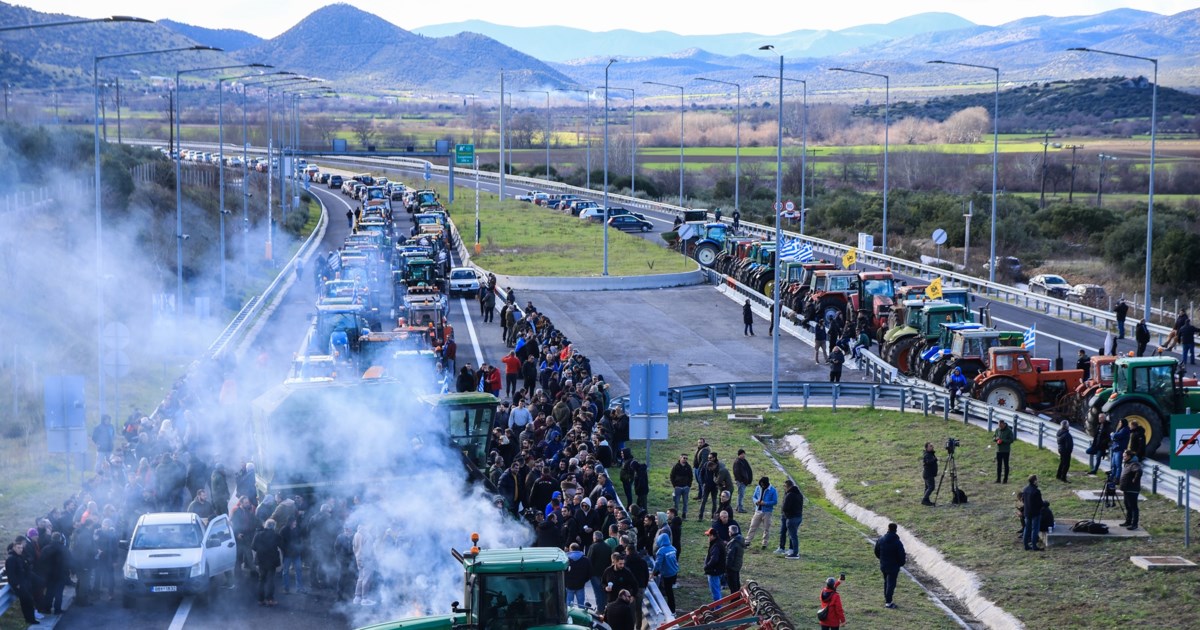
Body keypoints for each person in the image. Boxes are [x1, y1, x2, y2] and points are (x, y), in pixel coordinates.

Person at [6, 536, 39, 625]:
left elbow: (26, 569)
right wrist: (17, 585)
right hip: (20, 585)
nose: (20, 550)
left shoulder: (19, 557)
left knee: (27, 602)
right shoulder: (11, 559)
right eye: (18, 548)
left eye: (21, 548)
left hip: (25, 583)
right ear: (13, 548)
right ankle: (30, 619)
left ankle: (30, 619)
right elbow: (11, 574)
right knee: (28, 601)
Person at [874, 523, 906, 608]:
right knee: (891, 584)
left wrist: (881, 559)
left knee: (886, 582)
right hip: (893, 567)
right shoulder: (897, 542)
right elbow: (901, 555)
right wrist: (900, 563)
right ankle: (888, 602)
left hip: (883, 565)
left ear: (888, 528)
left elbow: (876, 551)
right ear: (896, 530)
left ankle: (887, 599)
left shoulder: (881, 539)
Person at [252, 519, 283, 606]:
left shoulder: (258, 535)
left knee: (261, 580)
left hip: (261, 560)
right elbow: (282, 545)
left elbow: (253, 547)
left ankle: (260, 600)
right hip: (272, 561)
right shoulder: (276, 535)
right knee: (270, 580)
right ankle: (270, 599)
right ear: (274, 526)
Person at [745, 477, 778, 549]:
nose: (762, 486)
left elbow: (775, 501)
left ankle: (764, 543)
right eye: (761, 485)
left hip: (767, 512)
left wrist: (765, 503)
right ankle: (747, 541)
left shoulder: (773, 490)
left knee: (766, 528)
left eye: (763, 485)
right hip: (758, 511)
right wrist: (756, 501)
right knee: (752, 526)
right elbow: (754, 497)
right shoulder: (757, 488)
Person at [651, 531, 679, 614]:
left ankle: (672, 610)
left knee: (669, 592)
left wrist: (653, 573)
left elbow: (657, 564)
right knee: (670, 590)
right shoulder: (673, 548)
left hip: (667, 574)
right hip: (674, 572)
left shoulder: (661, 551)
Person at [778, 479, 803, 559]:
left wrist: (786, 515)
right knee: (793, 535)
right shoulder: (799, 494)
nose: (784, 488)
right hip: (798, 517)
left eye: (784, 486)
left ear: (787, 486)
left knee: (793, 536)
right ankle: (792, 550)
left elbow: (785, 507)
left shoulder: (789, 495)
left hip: (791, 518)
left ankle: (795, 553)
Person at [1119, 450, 1143, 530]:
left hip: (1132, 489)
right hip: (1127, 489)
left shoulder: (1134, 464)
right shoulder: (1128, 463)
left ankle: (1134, 524)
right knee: (1128, 506)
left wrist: (1134, 480)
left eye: (1125, 456)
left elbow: (1139, 471)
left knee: (1133, 507)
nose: (1123, 457)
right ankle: (1128, 521)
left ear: (1129, 456)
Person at [702, 528, 726, 602]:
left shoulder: (715, 546)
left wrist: (707, 566)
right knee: (717, 590)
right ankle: (716, 607)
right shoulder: (720, 542)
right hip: (720, 570)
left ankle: (717, 609)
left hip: (714, 572)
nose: (708, 538)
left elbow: (714, 559)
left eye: (708, 536)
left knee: (715, 592)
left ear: (712, 536)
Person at [564, 542, 591, 608]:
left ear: (570, 549)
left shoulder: (566, 560)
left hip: (569, 585)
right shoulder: (586, 560)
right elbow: (589, 572)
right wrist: (584, 580)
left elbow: (564, 573)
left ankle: (570, 617)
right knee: (581, 605)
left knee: (569, 605)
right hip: (580, 585)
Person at [1021, 476, 1043, 551]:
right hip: (1035, 513)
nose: (1038, 481)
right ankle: (1034, 546)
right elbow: (1040, 503)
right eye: (1037, 480)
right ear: (1034, 481)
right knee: (1035, 529)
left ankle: (1025, 545)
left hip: (1027, 512)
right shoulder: (1036, 491)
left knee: (1027, 528)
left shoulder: (1025, 489)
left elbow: (1023, 500)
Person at [670, 454, 693, 519]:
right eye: (684, 458)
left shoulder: (688, 467)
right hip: (678, 487)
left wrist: (689, 485)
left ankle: (684, 515)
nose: (685, 459)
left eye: (686, 458)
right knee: (676, 503)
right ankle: (676, 515)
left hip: (686, 487)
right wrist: (675, 485)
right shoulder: (676, 466)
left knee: (685, 502)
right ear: (680, 458)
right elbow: (672, 476)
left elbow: (691, 476)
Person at [725, 524, 745, 594]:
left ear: (731, 532)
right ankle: (738, 597)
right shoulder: (740, 539)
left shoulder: (733, 543)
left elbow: (730, 556)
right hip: (737, 564)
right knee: (736, 582)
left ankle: (734, 600)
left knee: (732, 584)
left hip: (732, 566)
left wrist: (727, 567)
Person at [993, 419, 1014, 483]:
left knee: (1006, 465)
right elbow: (994, 437)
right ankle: (998, 479)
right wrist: (996, 439)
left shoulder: (1009, 431)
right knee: (999, 465)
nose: (1000, 427)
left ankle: (1005, 480)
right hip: (998, 450)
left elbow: (1011, 440)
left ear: (1004, 424)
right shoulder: (997, 430)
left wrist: (1003, 440)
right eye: (999, 425)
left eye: (1001, 425)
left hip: (1006, 450)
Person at [732, 449, 753, 513]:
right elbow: (736, 473)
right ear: (739, 455)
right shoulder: (737, 462)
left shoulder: (743, 461)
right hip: (741, 482)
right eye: (742, 454)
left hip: (744, 481)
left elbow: (748, 470)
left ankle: (738, 507)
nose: (744, 455)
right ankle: (740, 508)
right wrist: (741, 480)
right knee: (741, 495)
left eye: (744, 454)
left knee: (740, 494)